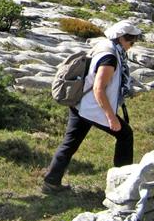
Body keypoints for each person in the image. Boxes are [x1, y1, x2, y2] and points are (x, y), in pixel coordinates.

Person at [42, 19, 141, 194]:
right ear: (122, 39)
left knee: (69, 144)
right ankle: (122, 183)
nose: (131, 46)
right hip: (93, 108)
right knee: (125, 135)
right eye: (131, 41)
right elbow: (99, 88)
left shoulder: (104, 45)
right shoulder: (110, 57)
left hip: (80, 104)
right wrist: (111, 117)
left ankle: (51, 182)